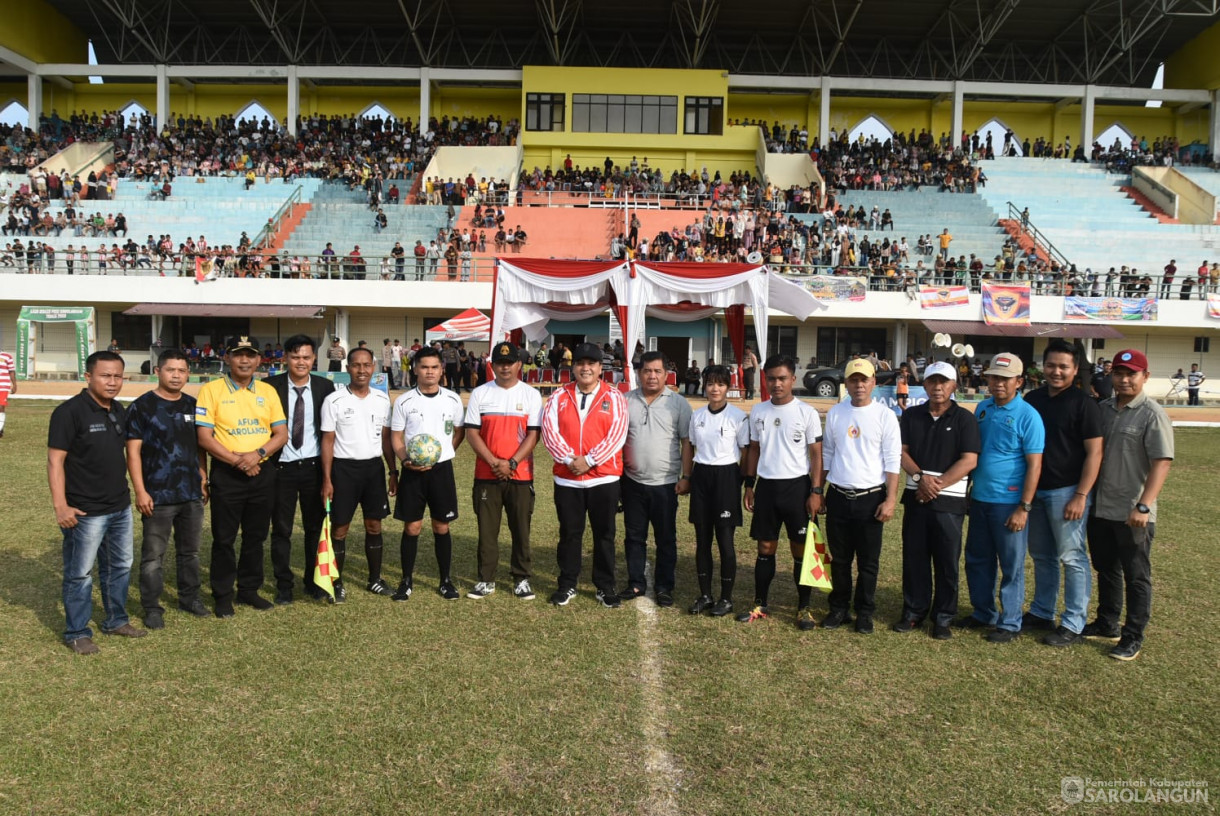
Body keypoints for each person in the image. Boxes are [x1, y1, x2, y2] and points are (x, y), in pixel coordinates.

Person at [48, 350, 146, 654]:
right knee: (79, 574)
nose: (113, 382)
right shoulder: (69, 412)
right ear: (88, 376)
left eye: (118, 376)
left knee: (119, 567)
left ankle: (116, 620)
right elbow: (55, 462)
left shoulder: (119, 410)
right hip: (84, 511)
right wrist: (60, 506)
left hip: (119, 506)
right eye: (105, 375)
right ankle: (77, 632)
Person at [1086, 349, 1174, 661]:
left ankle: (1132, 636)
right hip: (1101, 506)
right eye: (1119, 373)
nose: (1124, 379)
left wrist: (1144, 505)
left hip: (1132, 511)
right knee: (1106, 568)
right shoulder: (1104, 408)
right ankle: (1107, 621)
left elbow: (1161, 463)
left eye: (1131, 374)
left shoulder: (1152, 414)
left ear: (1145, 377)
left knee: (1136, 576)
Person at [195, 336, 288, 617]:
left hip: (262, 472)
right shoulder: (211, 391)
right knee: (224, 538)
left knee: (255, 536)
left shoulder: (268, 392)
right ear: (227, 358)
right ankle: (223, 595)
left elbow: (281, 434)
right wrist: (240, 461)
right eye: (238, 355)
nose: (244, 360)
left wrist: (256, 455)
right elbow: (204, 437)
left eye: (250, 355)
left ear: (259, 360)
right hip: (227, 473)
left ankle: (248, 590)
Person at [956, 352, 1044, 642]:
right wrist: (970, 489)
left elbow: (1035, 464)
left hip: (1010, 504)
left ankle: (1009, 622)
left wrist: (1024, 507)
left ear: (1019, 381)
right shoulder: (982, 409)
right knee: (977, 560)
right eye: (994, 377)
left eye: (1006, 379)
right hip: (980, 499)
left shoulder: (1028, 416)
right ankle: (984, 613)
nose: (998, 383)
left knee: (1011, 565)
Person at [1021, 340, 1103, 646]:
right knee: (1042, 556)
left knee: (1072, 557)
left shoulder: (1085, 403)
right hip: (1036, 491)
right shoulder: (1033, 399)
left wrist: (1081, 495)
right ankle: (1042, 612)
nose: (1056, 371)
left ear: (1075, 369)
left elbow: (1095, 453)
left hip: (1067, 492)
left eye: (1064, 367)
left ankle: (1073, 623)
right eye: (1051, 365)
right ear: (1043, 366)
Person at [125, 349, 210, 628]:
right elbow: (133, 452)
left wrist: (202, 477)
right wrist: (140, 490)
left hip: (190, 494)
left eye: (182, 370)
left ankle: (190, 598)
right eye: (170, 369)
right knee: (153, 556)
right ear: (158, 371)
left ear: (188, 374)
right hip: (158, 496)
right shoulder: (142, 406)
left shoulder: (192, 405)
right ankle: (151, 607)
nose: (176, 375)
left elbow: (200, 447)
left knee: (190, 552)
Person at [738, 355, 824, 627]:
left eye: (782, 378)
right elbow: (754, 449)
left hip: (797, 488)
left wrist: (816, 491)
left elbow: (817, 455)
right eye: (772, 378)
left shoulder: (807, 412)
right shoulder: (759, 411)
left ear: (792, 380)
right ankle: (760, 603)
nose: (777, 383)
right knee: (765, 546)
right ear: (766, 380)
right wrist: (749, 485)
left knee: (801, 550)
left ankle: (804, 608)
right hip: (767, 487)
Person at [894, 361, 979, 639]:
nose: (938, 387)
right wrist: (921, 479)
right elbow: (901, 452)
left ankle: (943, 617)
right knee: (915, 558)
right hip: (917, 498)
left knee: (946, 562)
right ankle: (914, 611)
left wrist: (936, 484)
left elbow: (969, 460)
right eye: (932, 381)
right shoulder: (912, 416)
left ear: (954, 386)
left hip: (950, 503)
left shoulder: (964, 418)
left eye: (944, 382)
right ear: (925, 384)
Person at [540, 342, 629, 607]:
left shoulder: (614, 397)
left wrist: (589, 461)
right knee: (569, 533)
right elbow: (549, 431)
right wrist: (569, 460)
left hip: (604, 478)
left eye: (591, 363)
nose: (586, 368)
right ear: (573, 368)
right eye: (580, 363)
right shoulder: (558, 397)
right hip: (567, 478)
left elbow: (617, 434)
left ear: (601, 368)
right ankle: (567, 584)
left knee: (604, 534)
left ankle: (605, 586)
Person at [820, 359, 901, 634]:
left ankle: (864, 611)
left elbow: (892, 461)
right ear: (846, 384)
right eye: (853, 380)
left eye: (864, 379)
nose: (859, 385)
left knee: (868, 562)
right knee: (840, 559)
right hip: (839, 496)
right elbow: (827, 454)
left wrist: (890, 500)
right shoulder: (836, 413)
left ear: (874, 383)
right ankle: (839, 608)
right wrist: (818, 490)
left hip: (871, 498)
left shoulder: (884, 416)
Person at [463, 341, 544, 600]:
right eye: (500, 363)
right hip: (487, 475)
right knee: (487, 530)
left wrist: (510, 463)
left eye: (510, 363)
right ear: (492, 365)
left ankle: (521, 579)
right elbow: (472, 433)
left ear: (519, 364)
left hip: (519, 474)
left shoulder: (530, 395)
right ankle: (486, 579)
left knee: (521, 529)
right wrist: (494, 462)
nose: (505, 367)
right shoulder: (480, 393)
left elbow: (533, 435)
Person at [389, 346, 466, 601]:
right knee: (412, 527)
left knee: (441, 526)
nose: (430, 372)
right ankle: (406, 580)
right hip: (412, 471)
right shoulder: (404, 401)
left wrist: (444, 453)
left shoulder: (453, 399)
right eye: (424, 367)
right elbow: (396, 436)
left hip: (441, 470)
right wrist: (405, 460)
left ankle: (445, 580)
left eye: (434, 367)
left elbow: (459, 431)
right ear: (415, 369)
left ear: (442, 370)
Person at [321, 347, 397, 602]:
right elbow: (328, 442)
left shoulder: (382, 399)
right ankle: (336, 582)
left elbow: (386, 439)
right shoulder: (334, 400)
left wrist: (393, 471)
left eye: (366, 365)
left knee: (374, 525)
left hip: (373, 469)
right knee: (340, 529)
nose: (362, 370)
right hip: (344, 471)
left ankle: (374, 579)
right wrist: (327, 479)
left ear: (374, 367)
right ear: (347, 368)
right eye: (356, 365)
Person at [265, 335, 336, 604]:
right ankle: (284, 584)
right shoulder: (269, 387)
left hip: (314, 468)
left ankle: (312, 581)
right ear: (285, 358)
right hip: (280, 468)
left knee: (313, 527)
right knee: (281, 529)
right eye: (295, 357)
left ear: (314, 358)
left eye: (306, 357)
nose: (301, 362)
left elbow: (330, 431)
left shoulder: (325, 388)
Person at [620, 351, 693, 607]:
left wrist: (686, 476)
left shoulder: (679, 404)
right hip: (632, 482)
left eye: (657, 371)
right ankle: (636, 583)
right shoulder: (625, 400)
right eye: (647, 371)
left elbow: (686, 442)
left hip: (665, 484)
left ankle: (664, 587)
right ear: (639, 374)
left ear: (666, 374)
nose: (652, 376)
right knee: (634, 537)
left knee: (665, 538)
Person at [686, 365, 749, 616]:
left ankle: (726, 598)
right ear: (705, 385)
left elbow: (746, 451)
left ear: (728, 387)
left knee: (725, 540)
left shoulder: (737, 416)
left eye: (720, 384)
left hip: (726, 477)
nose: (715, 388)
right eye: (710, 383)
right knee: (702, 540)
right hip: (701, 475)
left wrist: (740, 481)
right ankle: (705, 595)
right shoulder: (697, 415)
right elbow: (690, 447)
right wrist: (687, 477)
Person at [0, 346, 14, 438]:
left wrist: (15, 384)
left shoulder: (7, 356)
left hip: (3, 386)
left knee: (1, 407)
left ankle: (0, 429)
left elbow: (11, 371)